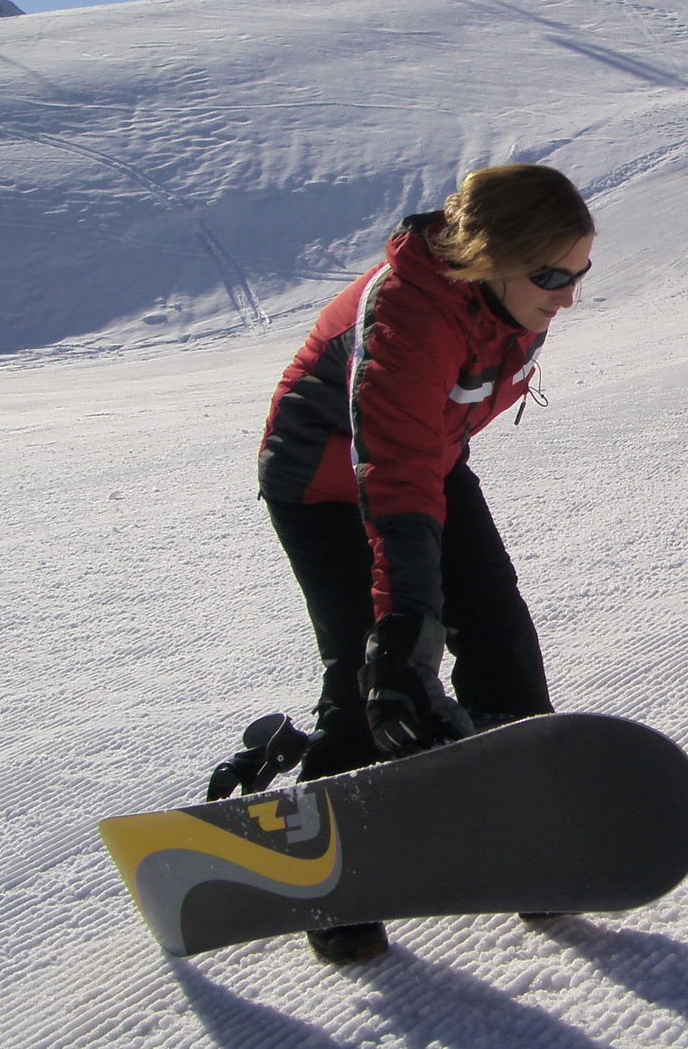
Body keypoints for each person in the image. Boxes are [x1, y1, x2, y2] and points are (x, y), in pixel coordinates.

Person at [254, 163, 594, 963]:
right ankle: (333, 880)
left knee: (499, 631)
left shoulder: (509, 292)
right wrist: (407, 622)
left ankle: (529, 837)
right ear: (491, 255)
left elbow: (426, 451)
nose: (568, 296)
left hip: (425, 463)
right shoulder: (408, 314)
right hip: (322, 482)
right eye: (552, 276)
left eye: (580, 274)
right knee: (372, 659)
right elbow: (396, 471)